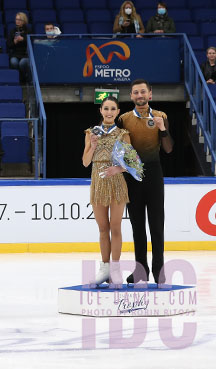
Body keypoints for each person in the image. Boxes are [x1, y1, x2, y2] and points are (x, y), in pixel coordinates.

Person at [116, 79, 173, 285]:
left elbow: (168, 149)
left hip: (154, 174)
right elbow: (120, 150)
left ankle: (159, 270)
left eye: (143, 92)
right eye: (135, 92)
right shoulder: (123, 119)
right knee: (137, 226)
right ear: (131, 96)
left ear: (150, 94)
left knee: (157, 225)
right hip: (132, 177)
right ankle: (141, 270)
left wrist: (162, 129)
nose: (139, 95)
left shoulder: (161, 116)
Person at [82, 97, 130, 288]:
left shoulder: (123, 133)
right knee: (103, 228)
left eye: (113, 109)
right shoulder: (90, 132)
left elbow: (132, 162)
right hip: (98, 181)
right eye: (106, 109)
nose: (109, 112)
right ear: (101, 111)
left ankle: (116, 269)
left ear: (118, 112)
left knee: (116, 227)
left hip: (117, 181)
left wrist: (118, 169)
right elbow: (85, 162)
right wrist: (93, 145)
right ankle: (104, 268)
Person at [7, 13, 30, 79]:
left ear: (24, 21)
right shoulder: (12, 31)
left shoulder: (28, 30)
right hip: (15, 54)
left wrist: (23, 39)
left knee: (22, 63)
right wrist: (14, 42)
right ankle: (18, 79)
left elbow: (31, 42)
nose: (17, 21)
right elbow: (9, 45)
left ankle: (23, 78)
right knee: (14, 62)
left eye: (20, 19)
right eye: (16, 19)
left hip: (25, 54)